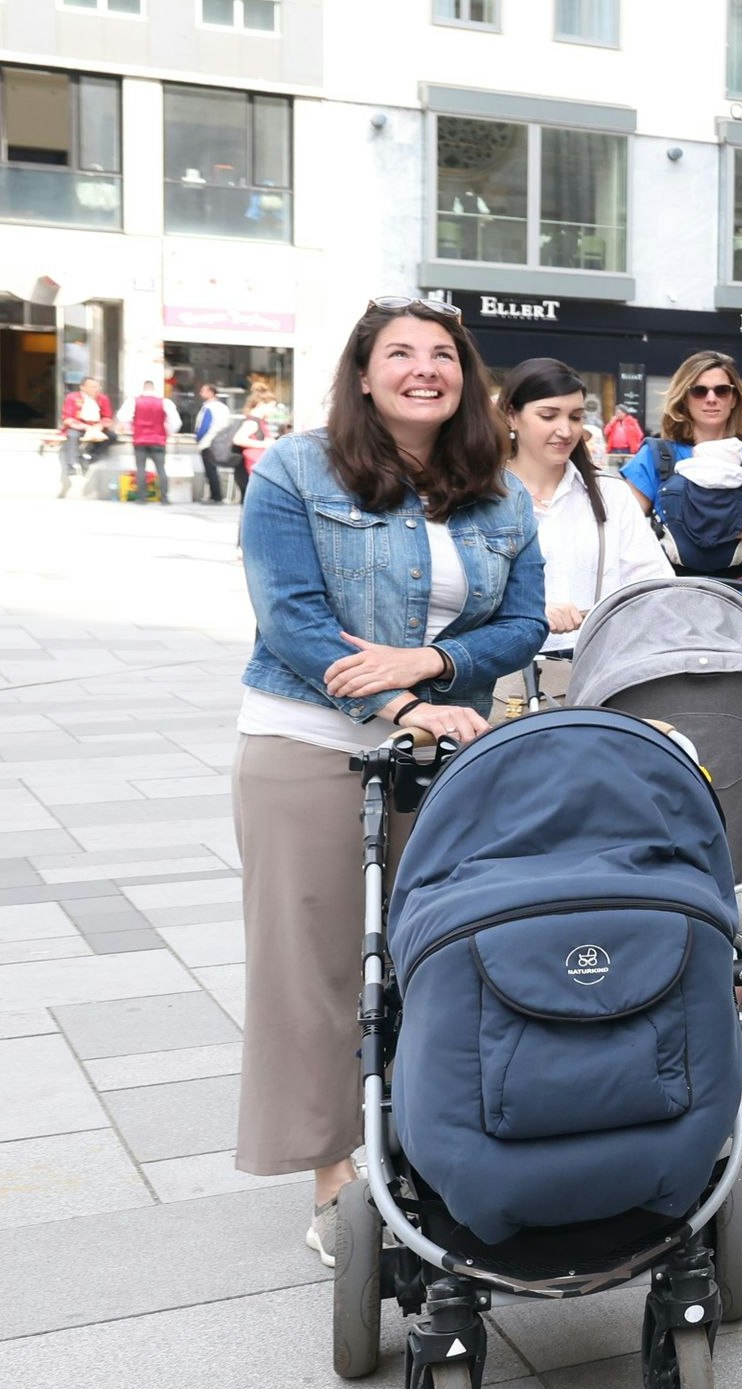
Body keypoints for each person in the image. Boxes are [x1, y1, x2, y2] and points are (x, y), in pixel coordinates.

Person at [232, 296, 546, 1264]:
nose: (423, 368)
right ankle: (335, 1175)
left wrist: (429, 669)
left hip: (450, 749)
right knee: (321, 968)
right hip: (308, 742)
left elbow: (523, 626)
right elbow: (290, 615)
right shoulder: (296, 466)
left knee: (445, 959)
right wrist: (402, 706)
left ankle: (435, 1144)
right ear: (362, 374)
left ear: (466, 376)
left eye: (442, 354)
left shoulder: (500, 494)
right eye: (399, 353)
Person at [500, 358, 672, 702]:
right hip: (503, 686)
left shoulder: (610, 494)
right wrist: (528, 613)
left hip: (600, 680)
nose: (565, 430)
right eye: (548, 416)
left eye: (576, 417)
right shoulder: (478, 497)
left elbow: (655, 589)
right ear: (511, 415)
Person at [621, 351, 742, 571]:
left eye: (722, 390)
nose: (711, 398)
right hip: (670, 593)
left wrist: (738, 529)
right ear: (684, 399)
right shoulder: (656, 455)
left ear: (734, 399)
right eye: (699, 391)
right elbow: (623, 530)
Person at [56, 378, 113, 499]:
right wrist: (84, 426)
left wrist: (100, 425)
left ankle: (91, 458)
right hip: (78, 426)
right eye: (92, 387)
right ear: (83, 387)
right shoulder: (72, 397)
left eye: (97, 387)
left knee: (112, 437)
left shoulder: (103, 399)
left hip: (96, 427)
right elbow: (67, 417)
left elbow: (107, 417)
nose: (96, 389)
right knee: (72, 435)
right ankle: (71, 465)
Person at [190, 383, 236, 504]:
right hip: (221, 442)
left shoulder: (209, 408)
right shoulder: (224, 408)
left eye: (203, 391)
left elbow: (204, 426)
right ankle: (215, 495)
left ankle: (216, 496)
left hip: (208, 441)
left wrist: (198, 438)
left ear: (211, 392)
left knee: (210, 470)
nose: (200, 394)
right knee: (213, 469)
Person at [128, 381, 171, 503]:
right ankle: (164, 498)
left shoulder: (134, 401)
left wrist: (131, 429)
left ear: (143, 388)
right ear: (154, 388)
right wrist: (167, 432)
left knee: (140, 469)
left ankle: (142, 498)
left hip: (140, 439)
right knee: (161, 469)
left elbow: (123, 417)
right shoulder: (164, 402)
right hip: (158, 440)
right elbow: (175, 421)